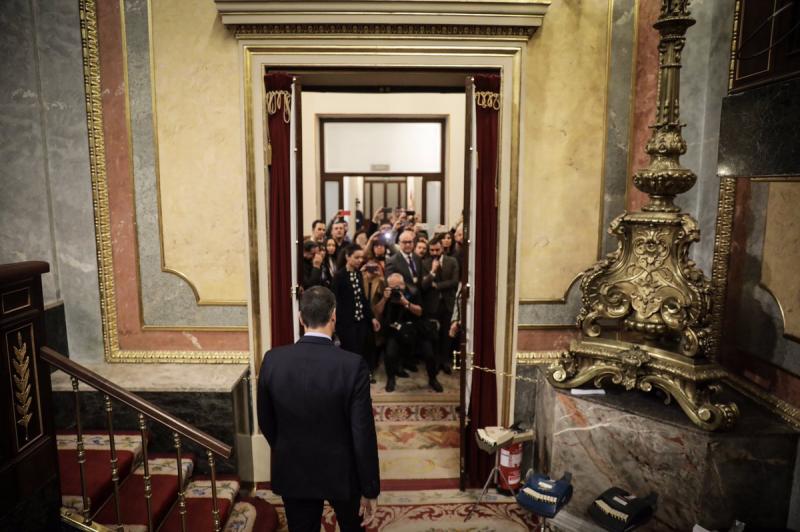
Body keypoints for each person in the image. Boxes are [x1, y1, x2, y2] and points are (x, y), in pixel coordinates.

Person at [257, 287, 379, 532]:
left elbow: (266, 420)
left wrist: (289, 447)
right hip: (343, 471)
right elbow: (362, 432)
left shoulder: (272, 360)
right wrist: (370, 488)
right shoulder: (353, 365)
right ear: (334, 315)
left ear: (300, 317)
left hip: (294, 467)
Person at [381, 273, 442, 393]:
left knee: (429, 354)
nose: (394, 290)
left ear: (403, 284)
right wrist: (384, 299)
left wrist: (406, 303)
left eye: (396, 287)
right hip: (396, 328)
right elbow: (378, 311)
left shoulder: (414, 291)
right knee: (389, 354)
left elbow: (420, 312)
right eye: (391, 287)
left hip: (417, 327)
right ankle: (391, 379)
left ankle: (433, 379)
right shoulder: (387, 295)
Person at [333, 244, 381, 373]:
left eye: (362, 257)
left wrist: (372, 318)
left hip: (361, 321)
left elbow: (363, 299)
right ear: (347, 257)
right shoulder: (339, 276)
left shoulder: (358, 274)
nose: (360, 260)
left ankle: (362, 375)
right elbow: (335, 301)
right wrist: (336, 323)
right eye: (356, 257)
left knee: (364, 350)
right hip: (346, 323)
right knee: (350, 353)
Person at [421, 235, 460, 373]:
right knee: (434, 336)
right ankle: (435, 362)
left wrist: (437, 285)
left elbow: (454, 282)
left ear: (442, 248)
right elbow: (424, 285)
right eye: (431, 250)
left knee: (446, 335)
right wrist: (432, 271)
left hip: (448, 303)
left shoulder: (452, 261)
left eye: (437, 250)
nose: (434, 253)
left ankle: (444, 361)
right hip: (432, 305)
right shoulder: (425, 263)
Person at [385, 230, 422, 298]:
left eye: (410, 242)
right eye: (405, 242)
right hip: (402, 298)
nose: (408, 245)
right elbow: (390, 284)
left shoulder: (417, 258)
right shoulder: (392, 261)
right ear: (399, 243)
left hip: (418, 298)